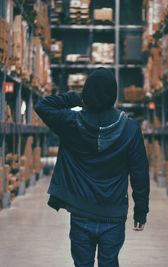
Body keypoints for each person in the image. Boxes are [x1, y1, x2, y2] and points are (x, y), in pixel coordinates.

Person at [34, 67, 150, 267]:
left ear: (87, 92)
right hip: (113, 215)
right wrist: (141, 211)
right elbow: (139, 173)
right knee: (109, 262)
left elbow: (43, 105)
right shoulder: (130, 129)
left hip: (81, 213)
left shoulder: (70, 122)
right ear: (114, 94)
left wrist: (79, 97)